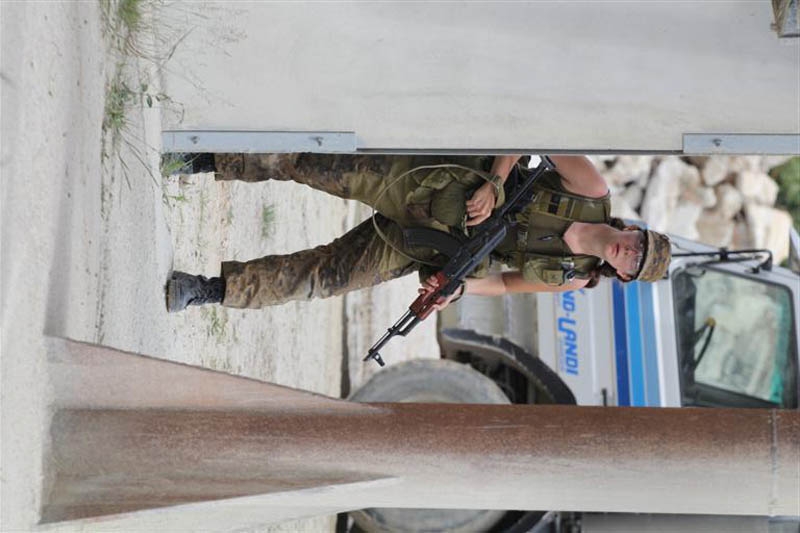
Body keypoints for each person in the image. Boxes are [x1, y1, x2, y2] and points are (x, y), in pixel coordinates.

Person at [165, 153, 671, 313]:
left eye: (634, 262)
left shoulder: (573, 277)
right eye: (639, 245)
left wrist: (454, 290)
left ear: (624, 274)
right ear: (634, 230)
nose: (629, 252)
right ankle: (198, 158)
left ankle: (206, 290)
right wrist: (496, 183)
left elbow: (503, 283)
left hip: (431, 247)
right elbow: (533, 133)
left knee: (323, 277)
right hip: (433, 187)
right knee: (310, 164)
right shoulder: (591, 190)